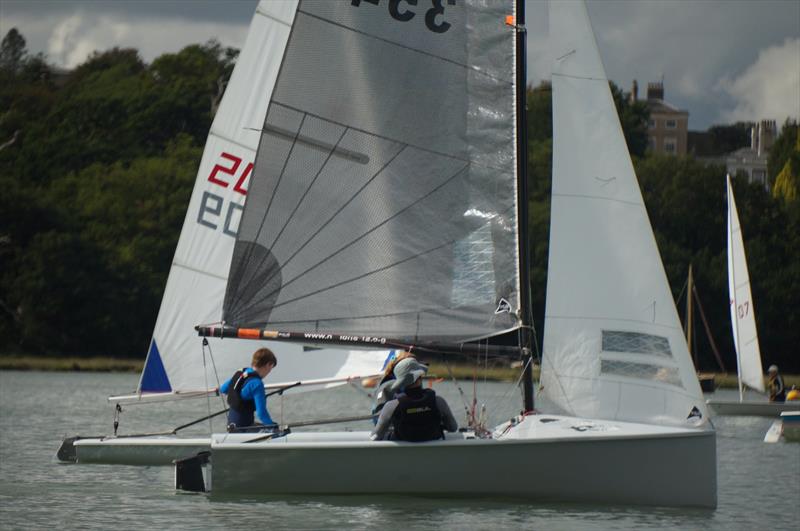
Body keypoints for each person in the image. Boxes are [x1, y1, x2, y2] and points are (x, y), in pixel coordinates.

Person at [370, 357, 458, 442]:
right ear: (419, 378)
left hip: (402, 450)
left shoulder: (391, 406)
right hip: (432, 446)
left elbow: (376, 436)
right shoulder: (438, 401)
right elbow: (453, 428)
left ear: (400, 382)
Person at [219, 348, 278, 430]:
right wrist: (272, 426)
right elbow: (261, 413)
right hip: (244, 429)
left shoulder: (242, 372)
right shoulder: (257, 384)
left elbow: (223, 389)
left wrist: (238, 393)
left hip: (231, 426)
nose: (269, 372)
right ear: (268, 365)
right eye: (271, 369)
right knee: (278, 433)